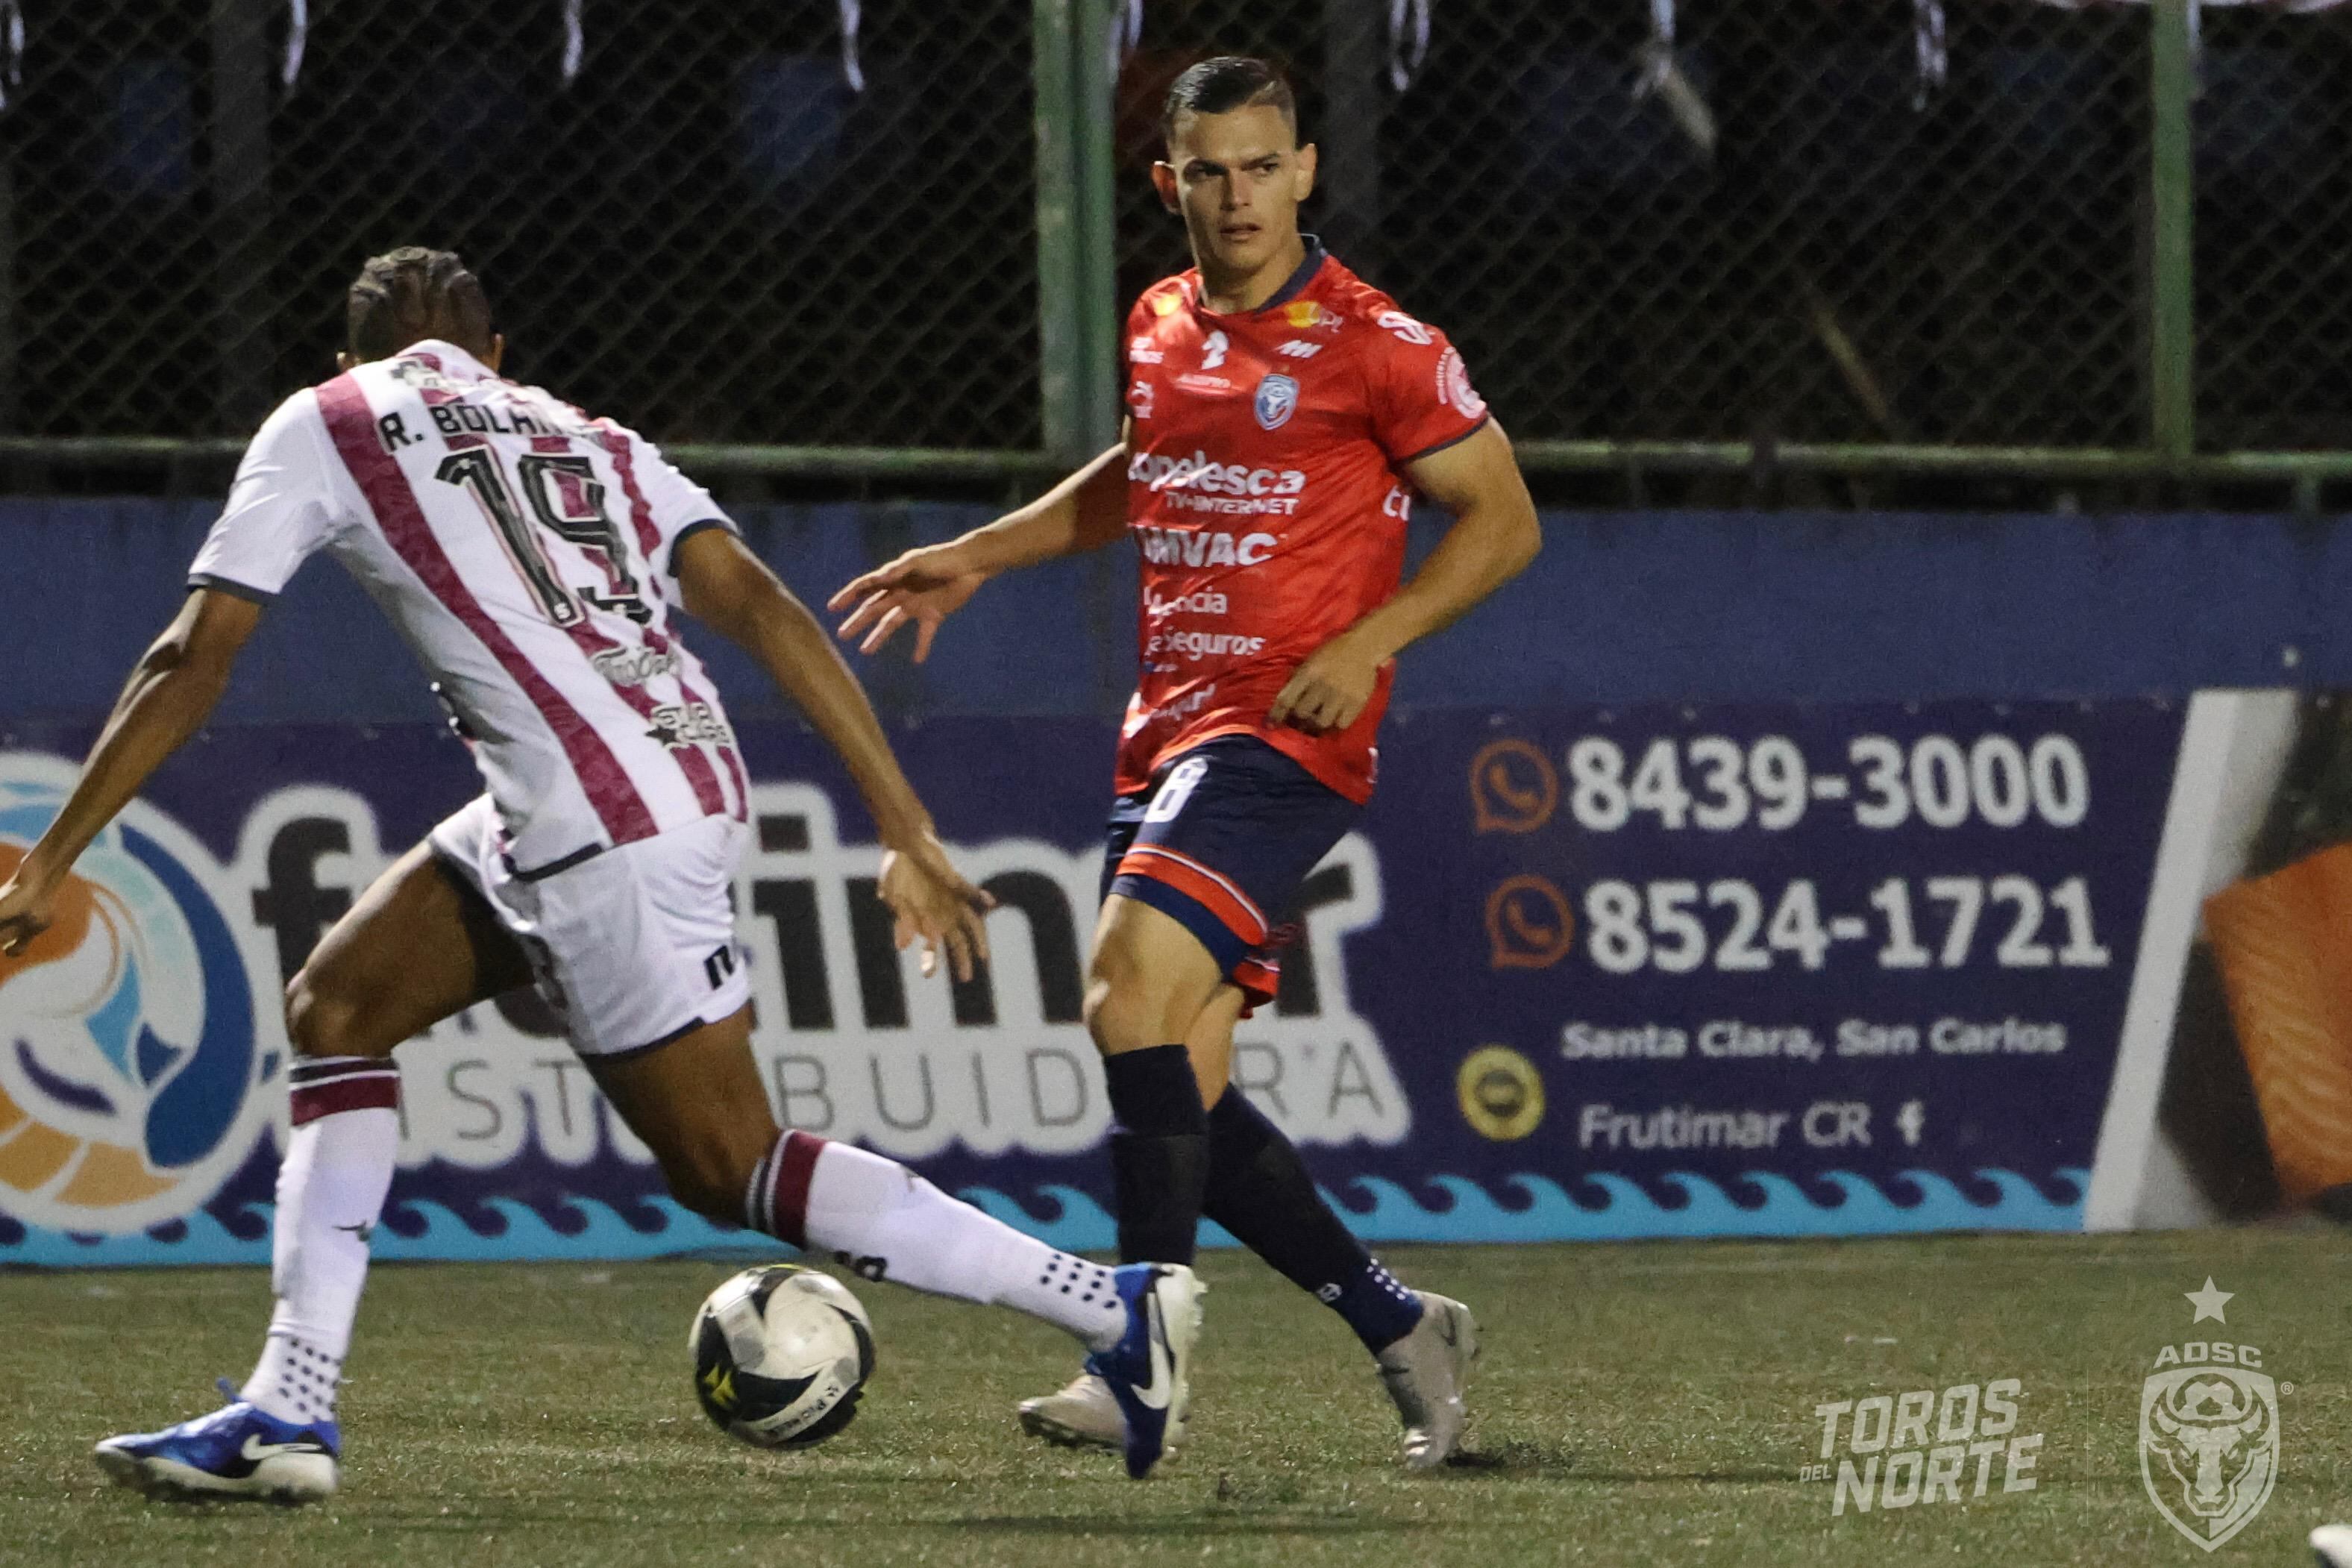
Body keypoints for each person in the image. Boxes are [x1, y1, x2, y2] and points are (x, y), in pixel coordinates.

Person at [0, 248, 1202, 1500]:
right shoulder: (591, 434)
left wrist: (56, 856)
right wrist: (901, 821)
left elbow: (193, 653)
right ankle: (286, 1411)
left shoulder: (329, 419)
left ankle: (1113, 1306)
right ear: (496, 356)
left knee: (725, 1160)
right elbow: (763, 606)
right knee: (339, 1005)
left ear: (345, 359)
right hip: (658, 778)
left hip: (600, 820)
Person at [829, 57, 1540, 1470]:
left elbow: (1502, 520)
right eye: (1210, 171)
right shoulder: (1159, 317)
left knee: (1119, 984)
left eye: (1263, 166)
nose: (1238, 196)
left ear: (1306, 170)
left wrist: (1374, 639)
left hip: (1286, 736)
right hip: (1164, 731)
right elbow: (1146, 471)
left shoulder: (1376, 342)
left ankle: (1138, 1344)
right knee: (1184, 1086)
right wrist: (979, 552)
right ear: (1170, 183)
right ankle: (1402, 1325)